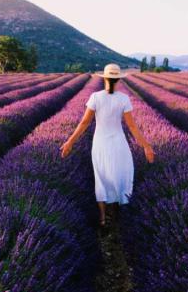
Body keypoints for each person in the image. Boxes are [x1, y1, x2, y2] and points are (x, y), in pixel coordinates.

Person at [60, 63, 155, 226]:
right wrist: (146, 146)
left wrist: (70, 142)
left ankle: (103, 218)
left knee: (101, 177)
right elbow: (132, 126)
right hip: (119, 143)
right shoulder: (123, 99)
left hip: (100, 143)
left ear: (104, 78)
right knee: (119, 176)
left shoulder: (96, 97)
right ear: (118, 79)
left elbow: (84, 123)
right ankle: (117, 213)